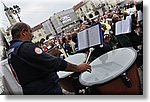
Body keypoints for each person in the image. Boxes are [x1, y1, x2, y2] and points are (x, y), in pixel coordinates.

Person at [8, 22, 91, 95]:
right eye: (30, 31)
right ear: (23, 33)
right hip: (46, 90)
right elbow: (53, 63)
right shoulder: (25, 47)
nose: (32, 35)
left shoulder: (11, 52)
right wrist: (78, 68)